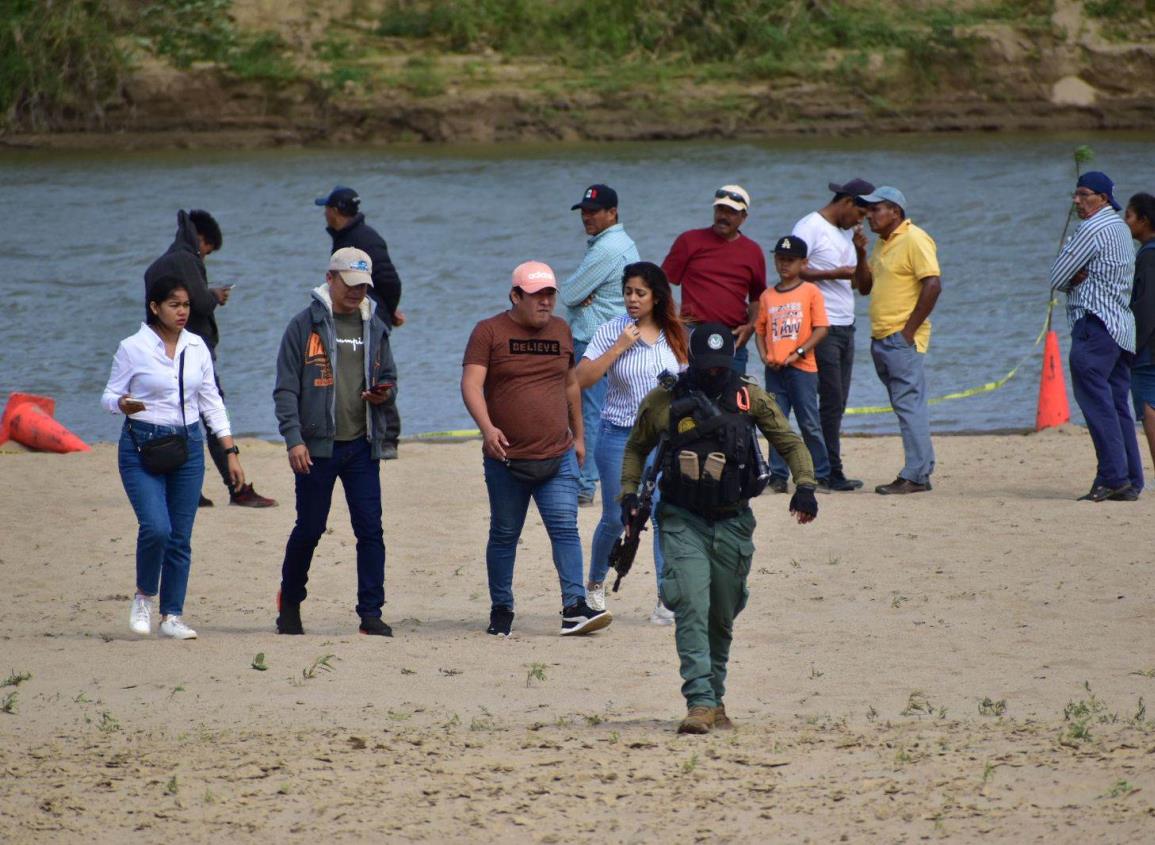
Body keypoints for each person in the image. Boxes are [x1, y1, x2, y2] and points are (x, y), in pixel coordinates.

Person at [620, 323, 818, 734]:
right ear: (691, 358)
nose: (714, 372)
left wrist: (805, 486)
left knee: (722, 614)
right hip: (680, 518)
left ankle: (715, 698)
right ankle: (699, 701)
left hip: (733, 521)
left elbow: (791, 442)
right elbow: (637, 447)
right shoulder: (664, 398)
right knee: (691, 603)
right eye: (706, 365)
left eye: (720, 365)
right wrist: (627, 492)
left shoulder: (751, 396)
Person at [461, 261, 611, 638]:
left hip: (557, 455)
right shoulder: (488, 332)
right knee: (504, 534)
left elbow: (570, 386)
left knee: (565, 529)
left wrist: (578, 438)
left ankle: (574, 608)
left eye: (550, 295)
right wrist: (488, 429)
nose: (545, 302)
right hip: (507, 458)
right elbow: (471, 385)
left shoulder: (562, 330)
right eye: (536, 296)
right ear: (515, 296)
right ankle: (502, 608)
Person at [103, 275, 246, 639]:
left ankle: (171, 617)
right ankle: (143, 597)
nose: (182, 312)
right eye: (174, 305)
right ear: (154, 307)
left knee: (180, 535)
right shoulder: (132, 347)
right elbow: (108, 396)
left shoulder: (197, 347)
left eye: (186, 305)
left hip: (188, 446)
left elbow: (212, 402)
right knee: (156, 528)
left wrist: (230, 451)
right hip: (141, 446)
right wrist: (122, 403)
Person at [273, 247, 397, 636]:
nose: (358, 293)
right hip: (316, 447)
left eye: (364, 286)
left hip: (362, 444)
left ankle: (370, 614)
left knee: (370, 529)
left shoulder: (375, 326)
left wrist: (384, 394)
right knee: (310, 528)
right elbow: (285, 389)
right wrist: (294, 439)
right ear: (331, 278)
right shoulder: (303, 325)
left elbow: (390, 376)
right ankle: (290, 602)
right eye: (351, 284)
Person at [576, 261, 688, 625]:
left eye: (640, 293)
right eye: (628, 292)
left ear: (656, 297)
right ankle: (594, 586)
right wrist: (620, 347)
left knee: (661, 513)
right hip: (619, 437)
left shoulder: (674, 334)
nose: (633, 299)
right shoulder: (612, 330)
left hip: (663, 441)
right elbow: (582, 379)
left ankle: (664, 599)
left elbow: (689, 382)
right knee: (615, 516)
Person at [144, 209, 275, 508]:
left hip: (162, 352)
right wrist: (215, 295)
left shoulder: (158, 265)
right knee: (215, 418)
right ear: (200, 239)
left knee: (176, 422)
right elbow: (199, 302)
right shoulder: (187, 259)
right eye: (208, 249)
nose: (205, 256)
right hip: (192, 352)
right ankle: (238, 488)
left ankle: (184, 490)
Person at [1050, 172, 1142, 501]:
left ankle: (1112, 477)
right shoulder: (1119, 226)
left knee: (1097, 402)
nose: (1076, 200)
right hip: (1120, 327)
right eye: (1076, 194)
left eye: (1083, 194)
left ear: (1102, 198)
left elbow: (1056, 275)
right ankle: (1130, 480)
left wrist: (1072, 275)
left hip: (1096, 324)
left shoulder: (1092, 228)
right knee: (1117, 404)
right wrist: (1072, 273)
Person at [856, 186, 942, 495]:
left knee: (909, 406)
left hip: (900, 338)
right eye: (867, 210)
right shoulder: (882, 243)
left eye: (875, 209)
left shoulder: (914, 238)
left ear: (895, 211)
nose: (869, 215)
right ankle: (920, 469)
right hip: (881, 337)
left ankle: (916, 475)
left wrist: (908, 332)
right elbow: (864, 288)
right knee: (906, 406)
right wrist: (859, 252)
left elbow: (933, 284)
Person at [792, 179, 875, 491]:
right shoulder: (809, 226)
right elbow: (792, 270)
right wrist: (832, 274)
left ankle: (827, 468)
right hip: (819, 326)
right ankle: (827, 471)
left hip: (846, 326)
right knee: (828, 401)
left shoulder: (847, 235)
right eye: (860, 214)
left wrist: (861, 253)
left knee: (837, 402)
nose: (860, 222)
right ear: (848, 203)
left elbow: (863, 287)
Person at [561, 184, 640, 506]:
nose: (587, 217)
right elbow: (577, 294)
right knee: (608, 412)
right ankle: (601, 478)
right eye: (584, 211)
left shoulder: (608, 248)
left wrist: (579, 301)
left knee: (587, 413)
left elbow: (567, 294)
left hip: (595, 339)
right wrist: (581, 298)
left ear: (612, 212)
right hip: (612, 336)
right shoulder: (615, 243)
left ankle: (583, 484)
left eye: (594, 211)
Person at [317, 186, 405, 460]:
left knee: (377, 375)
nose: (324, 213)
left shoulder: (364, 238)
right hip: (355, 310)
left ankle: (388, 438)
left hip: (371, 313)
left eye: (327, 207)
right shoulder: (345, 237)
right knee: (351, 373)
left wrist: (387, 312)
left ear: (337, 211)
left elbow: (389, 279)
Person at [661, 185, 767, 375]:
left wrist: (750, 327)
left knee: (732, 399)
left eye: (731, 212)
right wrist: (672, 323)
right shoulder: (689, 241)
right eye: (720, 209)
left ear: (744, 217)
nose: (723, 216)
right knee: (689, 395)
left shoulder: (753, 251)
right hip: (692, 333)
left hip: (733, 336)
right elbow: (661, 284)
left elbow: (757, 298)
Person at [754, 236, 831, 494]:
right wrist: (764, 356)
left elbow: (821, 329)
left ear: (803, 262)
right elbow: (760, 330)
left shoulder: (810, 291)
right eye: (780, 259)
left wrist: (798, 352)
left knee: (809, 423)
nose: (784, 264)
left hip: (802, 369)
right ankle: (778, 476)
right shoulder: (768, 295)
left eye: (790, 260)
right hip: (775, 371)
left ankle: (820, 474)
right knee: (777, 423)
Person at [1125, 192, 1155, 473]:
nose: (1126, 223)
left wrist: (1134, 345)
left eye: (1129, 217)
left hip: (1149, 347)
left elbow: (1145, 307)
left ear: (1144, 220)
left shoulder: (1148, 256)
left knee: (1149, 406)